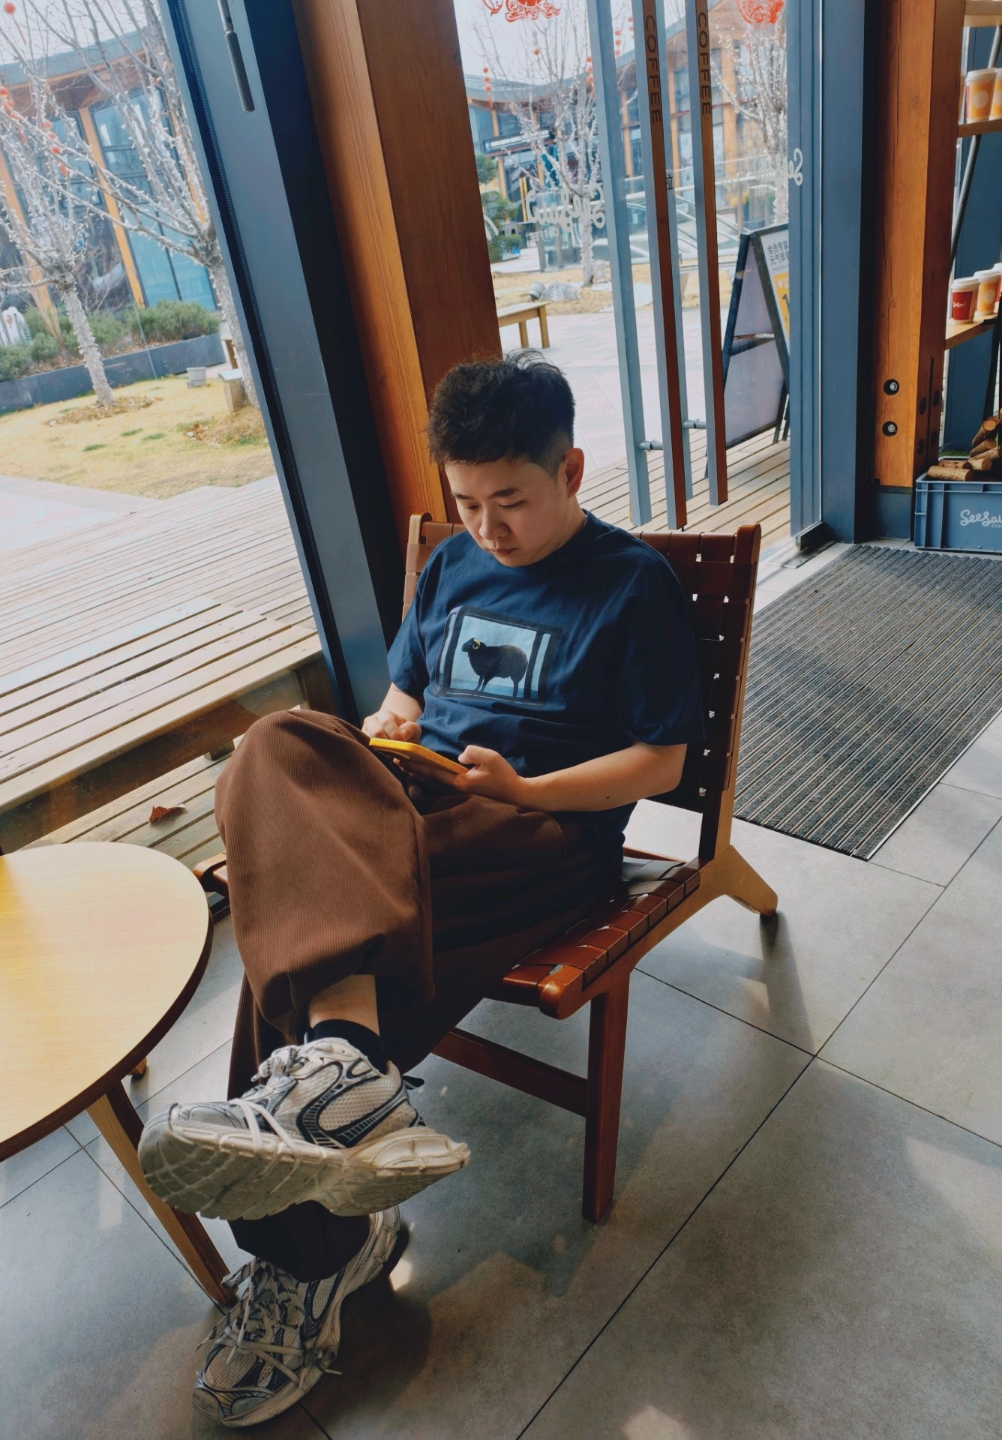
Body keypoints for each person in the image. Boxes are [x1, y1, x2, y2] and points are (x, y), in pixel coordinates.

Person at [139, 352, 705, 1427]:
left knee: (297, 937)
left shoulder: (631, 585)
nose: (488, 528)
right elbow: (403, 697)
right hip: (421, 806)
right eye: (467, 503)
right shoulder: (451, 567)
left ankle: (311, 1249)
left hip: (541, 832)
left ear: (570, 469)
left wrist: (526, 785)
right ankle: (343, 1078)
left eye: (511, 502)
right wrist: (389, 733)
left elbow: (660, 761)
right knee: (273, 744)